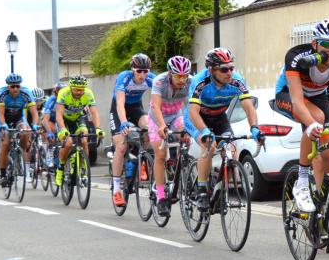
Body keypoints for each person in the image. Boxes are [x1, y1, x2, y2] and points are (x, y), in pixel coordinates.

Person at [273, 19, 329, 213]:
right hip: (289, 94)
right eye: (326, 44)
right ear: (315, 43)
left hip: (317, 95)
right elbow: (298, 102)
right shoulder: (297, 56)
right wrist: (312, 124)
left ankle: (325, 205)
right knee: (317, 118)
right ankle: (302, 183)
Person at [185, 47, 260, 211]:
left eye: (231, 68)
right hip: (197, 118)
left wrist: (254, 128)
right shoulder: (200, 81)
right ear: (211, 70)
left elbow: (248, 107)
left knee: (230, 149)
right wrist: (205, 132)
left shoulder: (237, 80)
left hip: (219, 117)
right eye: (224, 69)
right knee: (209, 146)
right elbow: (193, 112)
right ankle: (202, 190)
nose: (229, 73)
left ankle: (221, 191)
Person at [109, 53, 155, 206]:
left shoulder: (151, 78)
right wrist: (123, 122)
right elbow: (120, 103)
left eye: (145, 71)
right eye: (139, 71)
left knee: (148, 129)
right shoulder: (124, 77)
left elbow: (160, 97)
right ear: (132, 70)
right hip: (119, 109)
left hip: (136, 108)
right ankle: (116, 190)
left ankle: (140, 160)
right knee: (121, 146)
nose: (142, 75)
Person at [149, 55, 192, 217]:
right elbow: (156, 106)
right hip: (157, 118)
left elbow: (191, 107)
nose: (182, 80)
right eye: (178, 76)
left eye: (184, 76)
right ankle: (161, 198)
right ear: (169, 74)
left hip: (176, 116)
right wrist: (162, 126)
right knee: (160, 155)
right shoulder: (159, 81)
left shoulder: (190, 82)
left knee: (186, 137)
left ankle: (179, 167)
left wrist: (190, 128)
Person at [54, 75, 103, 186]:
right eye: (76, 89)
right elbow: (59, 114)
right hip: (64, 120)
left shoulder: (88, 93)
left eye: (81, 90)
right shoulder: (63, 93)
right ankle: (60, 168)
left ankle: (83, 169)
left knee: (84, 140)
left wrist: (98, 129)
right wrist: (63, 129)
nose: (79, 92)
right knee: (68, 143)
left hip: (78, 118)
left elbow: (94, 112)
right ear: (71, 87)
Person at [0, 73, 39, 187]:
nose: (15, 89)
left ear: (20, 86)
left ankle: (20, 153)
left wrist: (35, 125)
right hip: (4, 118)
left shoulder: (26, 92)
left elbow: (34, 112)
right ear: (8, 87)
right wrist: (3, 125)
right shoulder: (2, 93)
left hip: (18, 118)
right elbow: (0, 113)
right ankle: (3, 174)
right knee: (6, 143)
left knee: (25, 131)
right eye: (12, 86)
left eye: (17, 86)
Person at [41, 83, 66, 167]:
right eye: (60, 91)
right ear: (56, 91)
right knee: (52, 130)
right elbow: (45, 119)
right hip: (50, 120)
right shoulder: (51, 100)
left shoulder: (67, 99)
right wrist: (49, 132)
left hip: (61, 120)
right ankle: (49, 154)